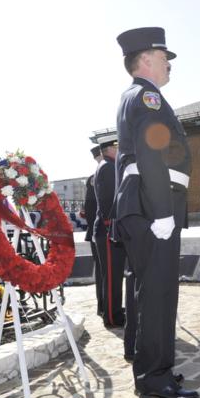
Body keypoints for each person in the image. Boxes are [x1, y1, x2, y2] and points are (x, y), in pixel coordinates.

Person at [112, 27, 197, 398]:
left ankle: (157, 369)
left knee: (157, 291)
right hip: (152, 204)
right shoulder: (146, 96)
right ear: (145, 59)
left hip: (149, 202)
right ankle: (152, 376)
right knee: (156, 292)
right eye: (165, 58)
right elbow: (151, 152)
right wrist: (162, 212)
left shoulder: (139, 96)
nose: (170, 65)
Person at [93, 137, 126, 328]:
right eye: (117, 146)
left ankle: (114, 311)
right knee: (112, 276)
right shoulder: (107, 167)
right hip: (108, 228)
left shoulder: (108, 165)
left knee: (112, 275)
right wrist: (112, 223)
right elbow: (108, 200)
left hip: (108, 227)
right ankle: (113, 317)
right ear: (108, 149)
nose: (119, 149)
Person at [83, 146, 103, 316]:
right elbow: (89, 208)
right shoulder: (95, 177)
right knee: (103, 271)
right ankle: (104, 306)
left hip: (98, 230)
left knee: (103, 270)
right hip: (100, 231)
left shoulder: (96, 175)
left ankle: (105, 305)